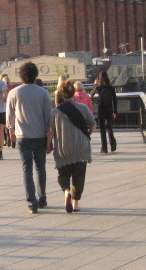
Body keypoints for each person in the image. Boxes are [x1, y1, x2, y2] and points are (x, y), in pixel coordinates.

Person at [6, 61, 52, 214]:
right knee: (40, 168)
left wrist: (11, 129)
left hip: (22, 136)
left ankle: (31, 203)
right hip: (40, 135)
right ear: (35, 75)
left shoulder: (14, 92)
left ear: (21, 76)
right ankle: (42, 198)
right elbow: (49, 116)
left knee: (27, 169)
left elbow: (9, 116)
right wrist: (49, 136)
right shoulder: (43, 92)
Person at [47, 80, 96, 213]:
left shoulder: (55, 111)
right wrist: (87, 134)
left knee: (63, 174)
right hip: (81, 147)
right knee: (79, 176)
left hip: (63, 148)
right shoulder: (83, 108)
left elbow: (51, 131)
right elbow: (93, 124)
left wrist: (48, 145)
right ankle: (75, 204)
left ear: (62, 95)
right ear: (74, 93)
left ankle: (66, 191)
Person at [90, 71, 118, 153]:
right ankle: (113, 145)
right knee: (109, 127)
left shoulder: (98, 87)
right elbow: (115, 100)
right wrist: (115, 111)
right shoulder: (111, 87)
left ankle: (104, 147)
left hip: (101, 109)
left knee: (102, 128)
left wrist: (95, 84)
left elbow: (91, 94)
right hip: (109, 109)